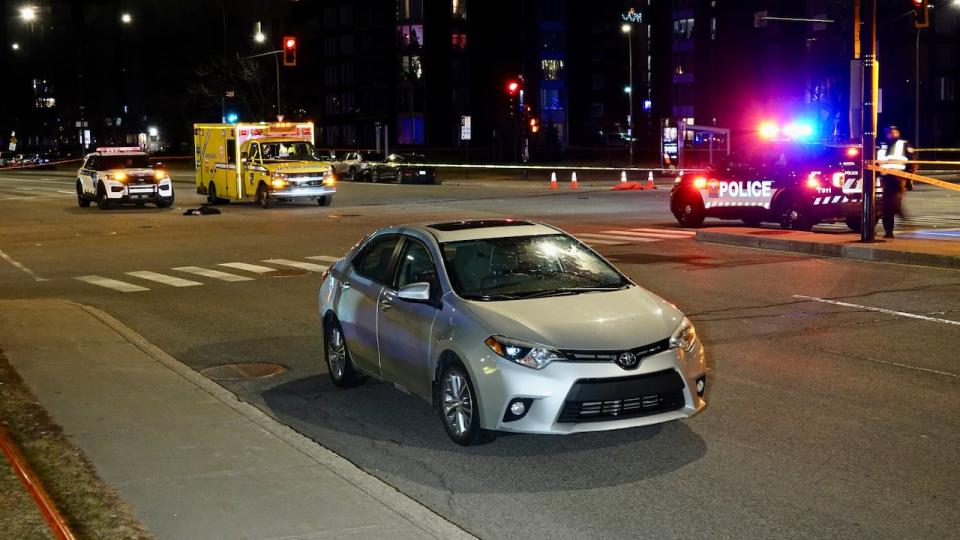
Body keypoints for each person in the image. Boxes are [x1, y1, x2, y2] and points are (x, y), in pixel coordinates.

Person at [876, 124, 914, 239]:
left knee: (895, 204)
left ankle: (902, 221)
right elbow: (878, 162)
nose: (891, 134)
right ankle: (889, 231)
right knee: (886, 207)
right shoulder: (882, 146)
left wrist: (909, 179)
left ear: (898, 133)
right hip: (886, 179)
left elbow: (912, 163)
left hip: (899, 179)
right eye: (889, 132)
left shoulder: (903, 144)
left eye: (894, 132)